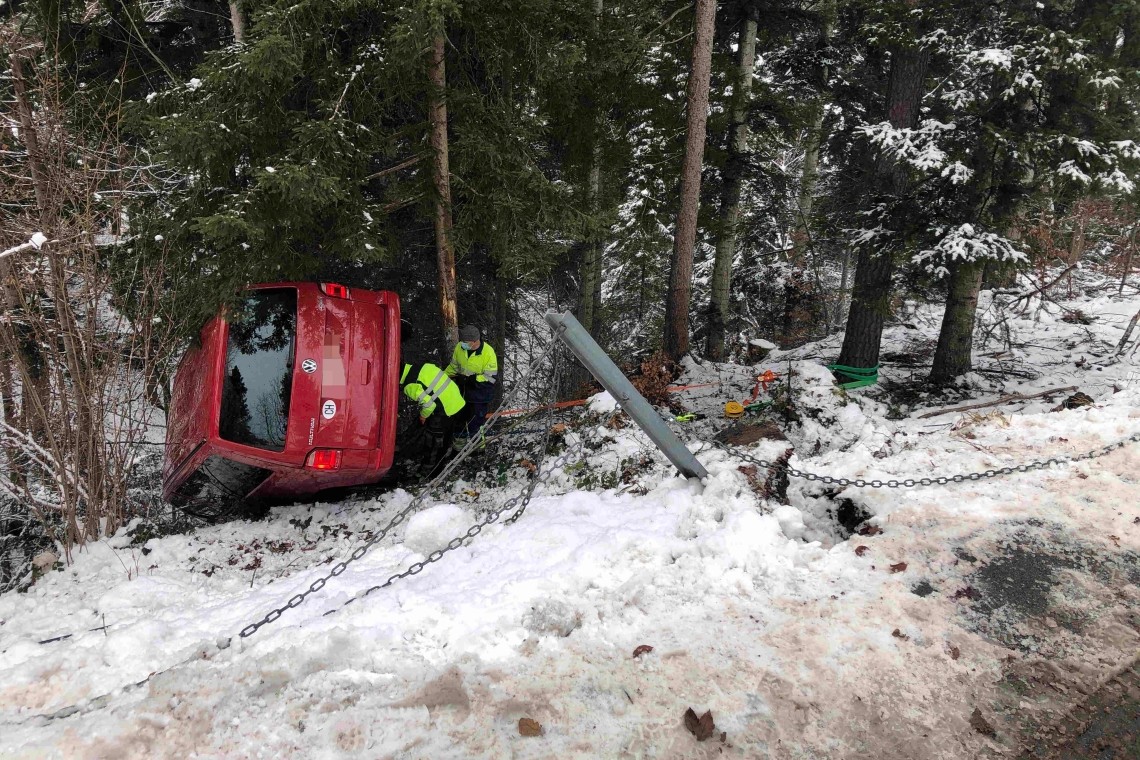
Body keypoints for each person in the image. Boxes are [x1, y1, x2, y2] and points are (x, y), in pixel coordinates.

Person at [400, 361, 466, 472]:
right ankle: (440, 463)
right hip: (457, 401)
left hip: (445, 409)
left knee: (433, 442)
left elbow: (429, 405)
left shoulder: (410, 385)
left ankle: (429, 471)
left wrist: (423, 416)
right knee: (445, 439)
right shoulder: (422, 365)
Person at [446, 324, 498, 447]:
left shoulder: (488, 353)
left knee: (475, 424)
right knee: (458, 421)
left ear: (475, 341)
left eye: (466, 342)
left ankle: (478, 449)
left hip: (480, 395)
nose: (462, 344)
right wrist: (444, 377)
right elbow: (453, 366)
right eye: (462, 341)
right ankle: (458, 448)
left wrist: (472, 379)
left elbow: (490, 378)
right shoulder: (460, 347)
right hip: (462, 392)